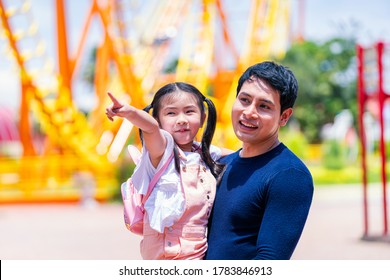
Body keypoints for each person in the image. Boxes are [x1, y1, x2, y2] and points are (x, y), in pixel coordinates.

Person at [105, 82, 231, 260]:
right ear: (158, 119)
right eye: (171, 113)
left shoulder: (204, 153)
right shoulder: (161, 151)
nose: (182, 119)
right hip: (169, 254)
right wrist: (130, 113)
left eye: (189, 111)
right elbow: (150, 128)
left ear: (203, 118)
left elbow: (242, 155)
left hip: (197, 252)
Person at [205, 61, 314, 260]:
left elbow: (270, 261)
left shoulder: (289, 175)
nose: (249, 112)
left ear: (284, 117)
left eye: (264, 106)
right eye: (244, 100)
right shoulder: (224, 164)